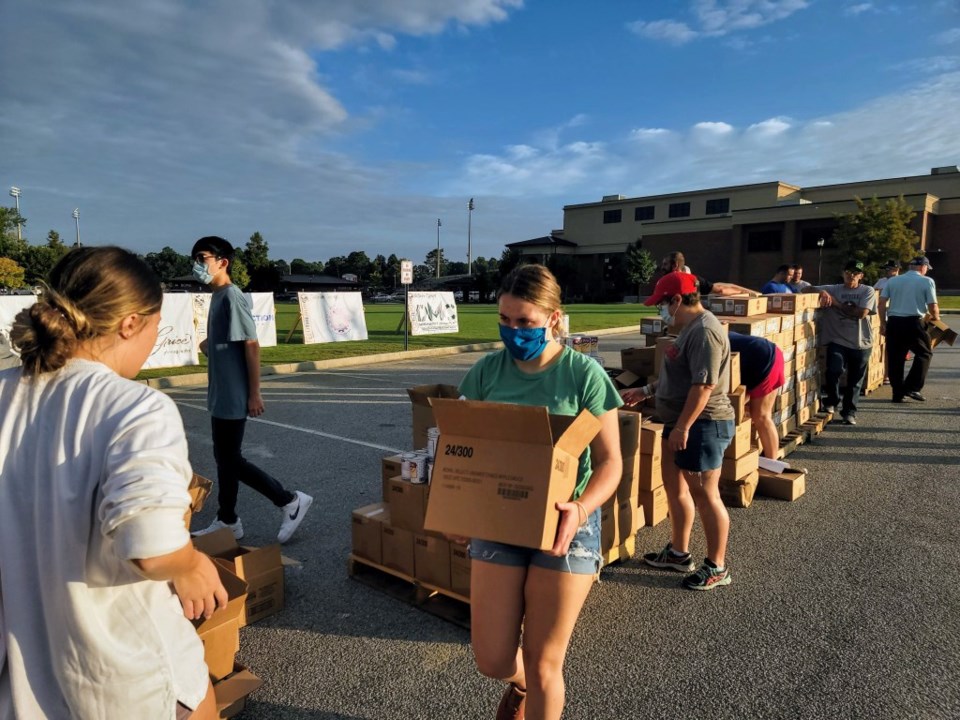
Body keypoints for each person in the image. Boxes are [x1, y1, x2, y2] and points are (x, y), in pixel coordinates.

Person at [0, 246, 226, 719]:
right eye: (155, 328)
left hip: (21, 682)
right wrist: (190, 565)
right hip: (124, 677)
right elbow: (151, 545)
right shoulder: (135, 407)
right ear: (130, 324)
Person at [458, 264, 622, 720]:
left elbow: (611, 463)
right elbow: (462, 449)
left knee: (546, 661)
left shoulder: (582, 375)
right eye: (505, 320)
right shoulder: (485, 374)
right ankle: (522, 686)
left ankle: (536, 687)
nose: (513, 331)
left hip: (566, 524)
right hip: (499, 519)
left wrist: (581, 507)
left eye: (524, 321)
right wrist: (458, 511)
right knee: (491, 660)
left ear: (553, 318)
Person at [189, 236, 312, 543]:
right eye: (194, 259)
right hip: (220, 392)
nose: (196, 265)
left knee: (230, 459)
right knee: (224, 458)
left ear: (222, 262)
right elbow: (228, 341)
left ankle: (289, 500)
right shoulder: (217, 297)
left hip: (233, 393)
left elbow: (252, 345)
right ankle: (228, 519)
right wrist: (209, 344)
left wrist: (254, 392)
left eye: (202, 258)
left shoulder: (231, 295)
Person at [622, 272, 735, 591]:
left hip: (703, 424)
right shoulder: (688, 330)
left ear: (676, 300)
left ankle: (717, 565)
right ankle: (678, 552)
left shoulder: (706, 331)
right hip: (680, 422)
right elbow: (680, 377)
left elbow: (703, 386)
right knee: (675, 487)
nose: (660, 311)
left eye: (661, 304)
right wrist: (646, 390)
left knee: (705, 494)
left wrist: (684, 426)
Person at [813, 260, 877, 425]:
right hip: (838, 340)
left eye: (855, 273)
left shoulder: (867, 291)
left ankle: (849, 412)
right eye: (848, 272)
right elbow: (804, 289)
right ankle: (832, 400)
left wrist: (836, 303)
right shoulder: (834, 289)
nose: (851, 276)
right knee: (833, 370)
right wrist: (822, 293)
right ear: (843, 273)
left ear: (861, 276)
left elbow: (861, 313)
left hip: (861, 342)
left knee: (855, 380)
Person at [878, 256, 939, 403]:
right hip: (914, 322)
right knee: (924, 353)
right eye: (926, 268)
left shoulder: (893, 281)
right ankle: (912, 386)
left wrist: (882, 323)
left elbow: (881, 303)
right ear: (923, 267)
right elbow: (932, 305)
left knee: (895, 358)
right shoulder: (927, 281)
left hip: (894, 321)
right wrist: (936, 319)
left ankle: (897, 392)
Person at [727, 332, 784, 458]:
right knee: (745, 410)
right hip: (763, 356)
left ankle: (772, 465)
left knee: (761, 416)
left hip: (764, 360)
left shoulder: (700, 344)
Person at [658, 251, 759, 298]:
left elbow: (721, 290)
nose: (662, 267)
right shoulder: (694, 280)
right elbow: (720, 290)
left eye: (665, 264)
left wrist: (743, 293)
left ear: (675, 265)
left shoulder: (692, 281)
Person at [873, 260, 900, 384]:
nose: (887, 271)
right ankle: (883, 373)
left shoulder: (900, 281)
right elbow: (874, 294)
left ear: (896, 269)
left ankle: (888, 374)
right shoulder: (882, 281)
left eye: (889, 269)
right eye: (886, 269)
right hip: (881, 314)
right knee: (882, 347)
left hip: (894, 315)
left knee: (890, 349)